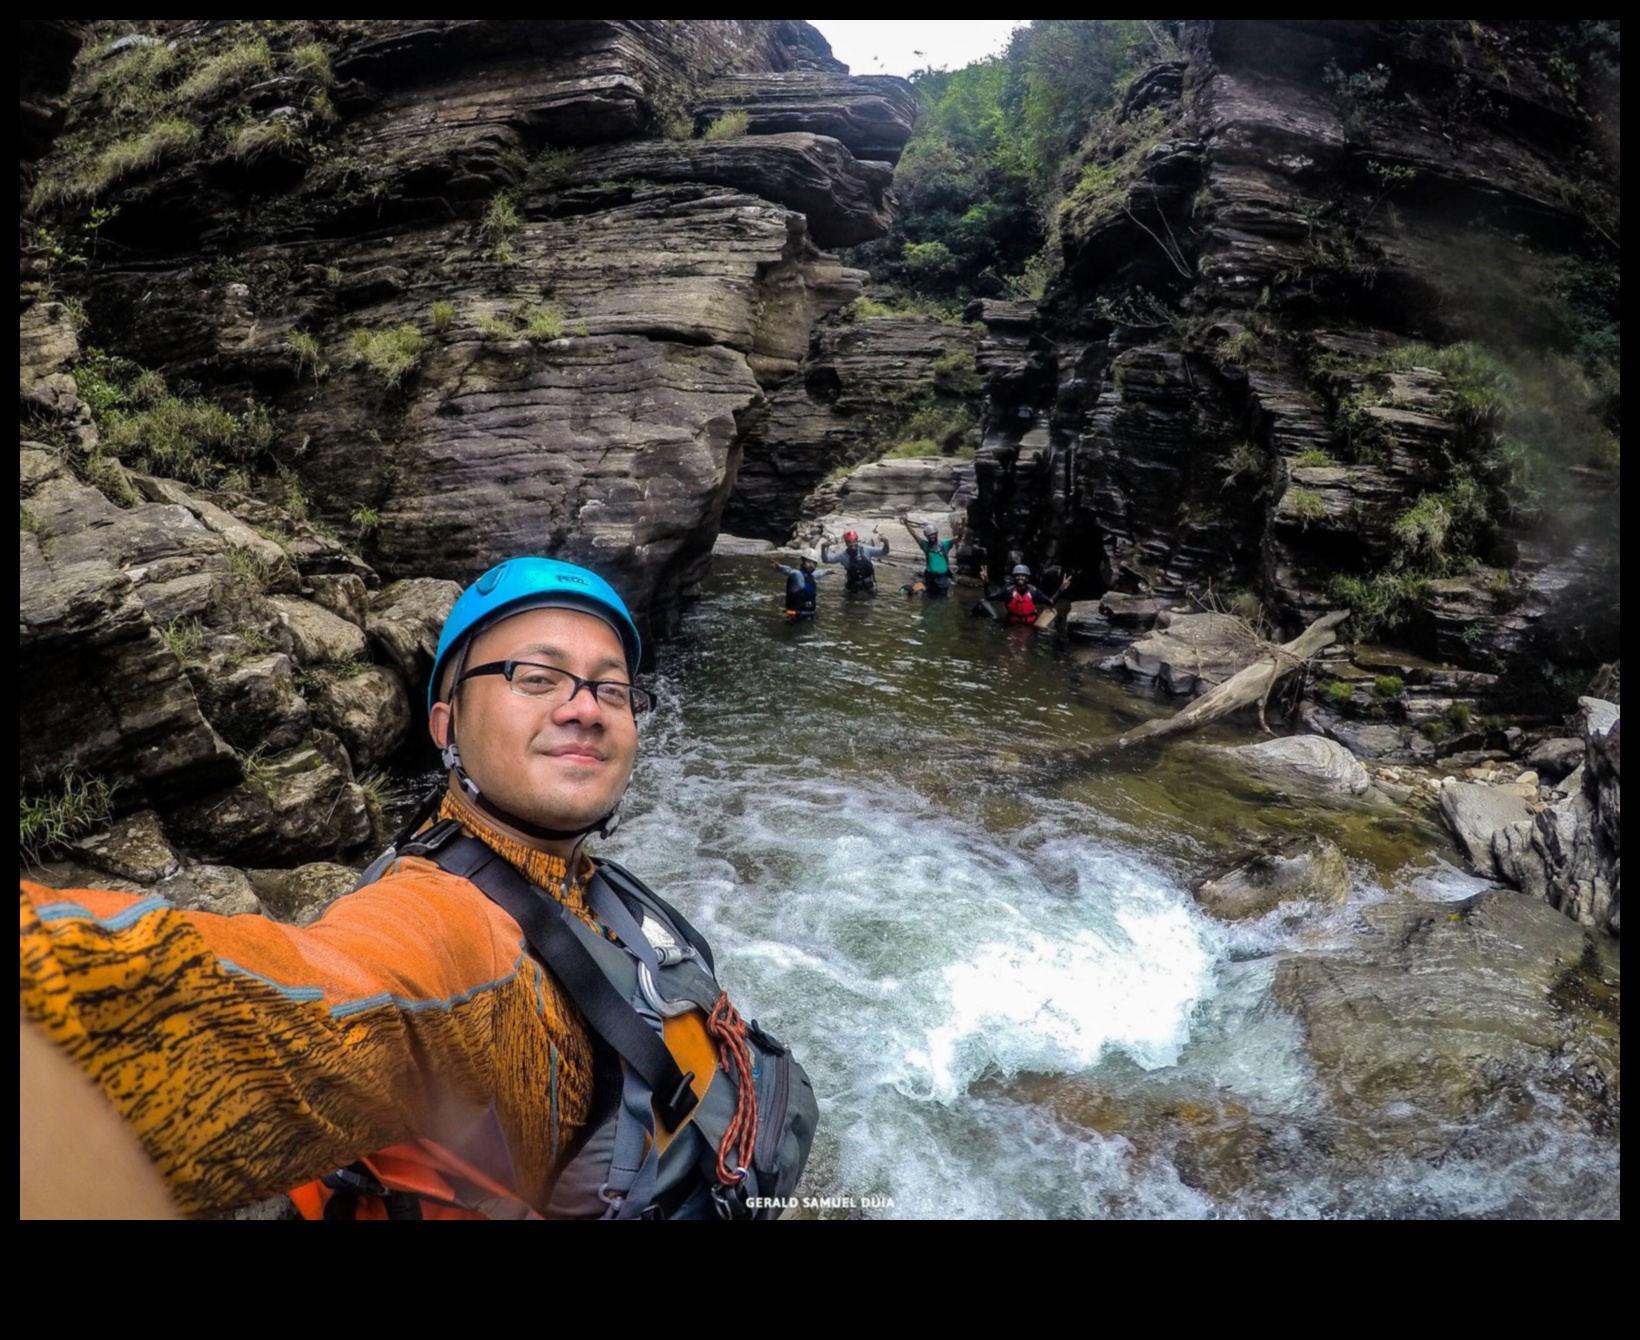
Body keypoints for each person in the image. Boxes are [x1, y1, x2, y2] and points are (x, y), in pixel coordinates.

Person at [20, 556, 816, 1219]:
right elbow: (298, 1001)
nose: (586, 708)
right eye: (537, 677)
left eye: (612, 689)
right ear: (444, 727)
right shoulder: (447, 928)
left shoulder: (596, 884)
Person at [977, 563, 1071, 624]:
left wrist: (1061, 589)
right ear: (1014, 577)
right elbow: (989, 597)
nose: (1020, 577)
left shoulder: (1033, 591)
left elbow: (1051, 602)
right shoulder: (1008, 591)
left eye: (1023, 575)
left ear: (1027, 578)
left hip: (1029, 627)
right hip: (1011, 625)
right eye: (1018, 575)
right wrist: (986, 581)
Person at [901, 515, 963, 597]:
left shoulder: (945, 544)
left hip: (942, 580)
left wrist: (963, 524)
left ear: (936, 534)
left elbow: (959, 537)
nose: (932, 537)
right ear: (927, 537)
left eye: (933, 534)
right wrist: (906, 523)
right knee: (930, 599)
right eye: (929, 536)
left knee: (941, 600)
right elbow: (914, 534)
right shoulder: (925, 546)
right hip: (930, 579)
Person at [821, 529, 890, 593]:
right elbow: (826, 560)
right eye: (849, 543)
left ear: (857, 541)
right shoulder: (842, 556)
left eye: (854, 541)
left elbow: (884, 552)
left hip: (869, 587)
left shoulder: (867, 550)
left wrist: (886, 542)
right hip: (853, 589)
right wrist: (823, 548)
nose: (852, 544)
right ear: (846, 544)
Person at [770, 552, 828, 617]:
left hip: (809, 615)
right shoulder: (797, 575)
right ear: (803, 561)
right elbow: (791, 571)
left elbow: (819, 573)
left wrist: (828, 571)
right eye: (809, 562)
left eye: (814, 563)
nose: (811, 565)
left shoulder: (811, 576)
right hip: (795, 618)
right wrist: (780, 568)